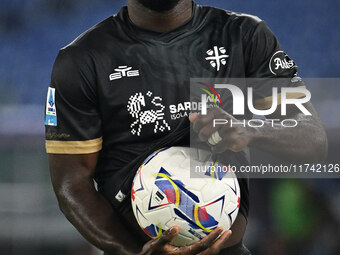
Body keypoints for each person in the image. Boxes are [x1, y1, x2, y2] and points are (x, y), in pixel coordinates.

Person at [45, 0, 328, 254]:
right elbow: (71, 183)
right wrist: (132, 252)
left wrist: (251, 130)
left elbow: (313, 138)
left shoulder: (244, 35)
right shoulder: (82, 60)